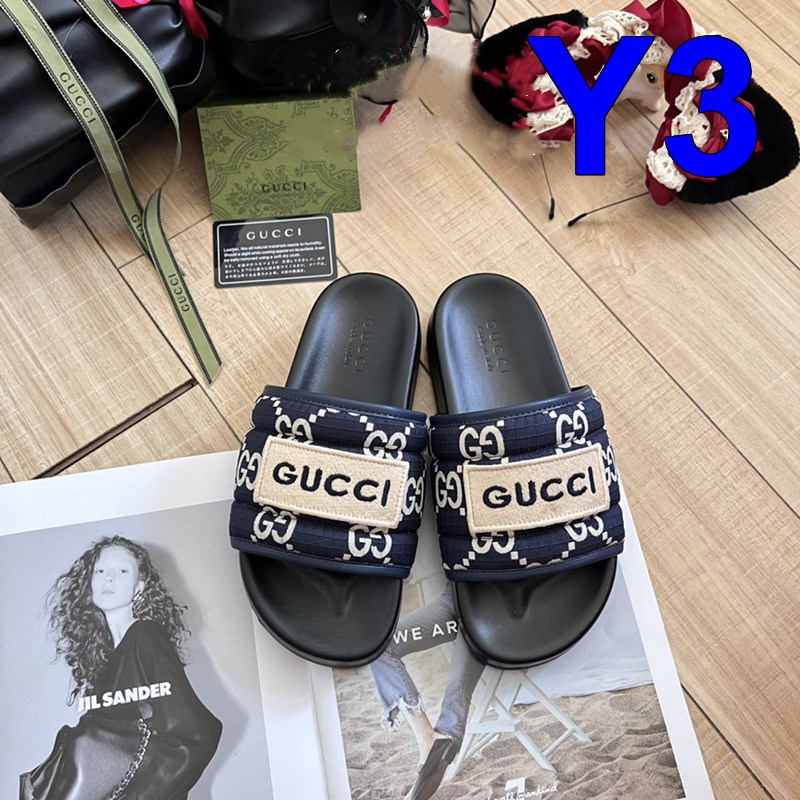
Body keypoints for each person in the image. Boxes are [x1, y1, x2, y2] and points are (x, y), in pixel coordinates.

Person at [20, 536, 222, 800]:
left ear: (139, 587)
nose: (109, 578)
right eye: (100, 571)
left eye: (122, 571)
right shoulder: (107, 661)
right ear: (89, 585)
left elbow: (198, 732)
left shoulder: (145, 636)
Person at [370, 587, 485, 800]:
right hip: (455, 597)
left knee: (456, 690)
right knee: (380, 647)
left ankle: (436, 751)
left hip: (489, 608)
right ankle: (426, 737)